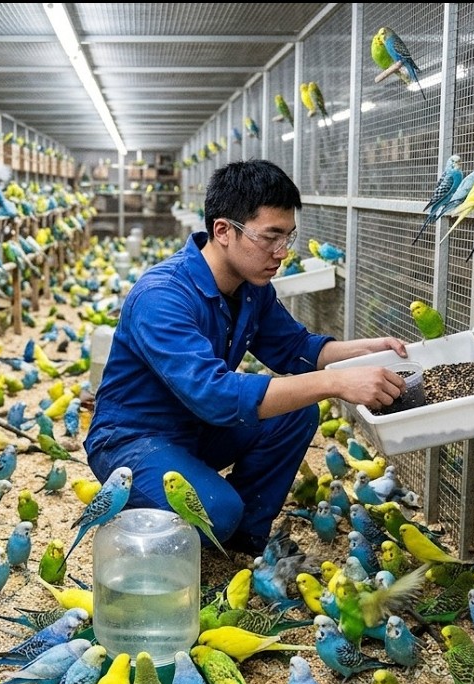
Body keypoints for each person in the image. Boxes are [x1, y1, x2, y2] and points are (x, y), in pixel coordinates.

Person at [84, 159, 410, 557]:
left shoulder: (252, 288)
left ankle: (240, 542)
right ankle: (205, 514)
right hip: (134, 440)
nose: (281, 253)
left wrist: (363, 351)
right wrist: (336, 383)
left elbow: (297, 350)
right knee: (217, 512)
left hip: (197, 430)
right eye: (270, 237)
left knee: (297, 413)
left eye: (288, 238)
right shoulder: (162, 296)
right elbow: (216, 395)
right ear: (223, 231)